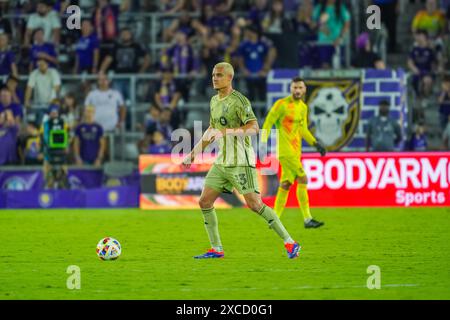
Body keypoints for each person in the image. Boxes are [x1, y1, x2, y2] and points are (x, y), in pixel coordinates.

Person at [182, 62, 301, 259]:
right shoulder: (214, 101)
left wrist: (228, 132)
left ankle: (290, 242)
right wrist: (193, 153)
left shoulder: (240, 101)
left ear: (229, 78)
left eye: (219, 75)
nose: (214, 78)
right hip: (222, 162)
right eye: (213, 74)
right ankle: (216, 249)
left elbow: (254, 128)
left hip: (241, 162)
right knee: (204, 201)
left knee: (255, 204)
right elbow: (211, 131)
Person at [261, 77, 326, 229]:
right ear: (290, 89)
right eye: (294, 88)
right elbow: (268, 122)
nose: (297, 90)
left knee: (285, 184)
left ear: (304, 90)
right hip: (285, 152)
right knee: (303, 179)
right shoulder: (281, 105)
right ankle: (307, 219)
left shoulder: (303, 107)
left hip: (296, 152)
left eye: (300, 88)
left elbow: (303, 129)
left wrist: (315, 144)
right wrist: (263, 142)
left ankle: (274, 219)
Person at [25, 58, 61, 124]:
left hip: (52, 103)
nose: (41, 66)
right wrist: (27, 101)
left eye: (43, 64)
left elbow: (57, 88)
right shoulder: (34, 73)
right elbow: (29, 88)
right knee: (40, 121)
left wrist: (55, 100)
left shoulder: (53, 72)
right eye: (39, 65)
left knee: (54, 121)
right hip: (39, 104)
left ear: (47, 64)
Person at [408, 30, 437, 97]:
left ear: (425, 37)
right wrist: (414, 69)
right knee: (415, 81)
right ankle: (419, 96)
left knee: (427, 80)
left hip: (428, 72)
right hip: (417, 73)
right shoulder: (414, 49)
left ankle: (426, 97)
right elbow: (409, 61)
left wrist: (432, 71)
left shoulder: (430, 49)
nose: (418, 37)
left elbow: (434, 63)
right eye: (417, 35)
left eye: (420, 35)